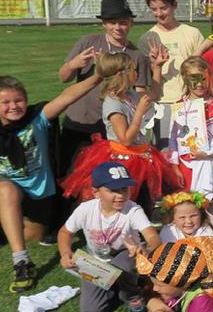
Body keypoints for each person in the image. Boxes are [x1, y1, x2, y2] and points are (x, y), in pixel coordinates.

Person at [0, 72, 103, 292]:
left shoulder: (37, 118)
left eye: (18, 100)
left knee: (33, 236)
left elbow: (66, 97)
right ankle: (22, 262)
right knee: (8, 193)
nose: (13, 106)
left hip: (38, 190)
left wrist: (98, 76)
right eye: (5, 102)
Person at [56, 0, 158, 180]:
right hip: (82, 122)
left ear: (131, 23)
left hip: (113, 130)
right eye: (112, 22)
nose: (118, 27)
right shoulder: (88, 42)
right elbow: (63, 77)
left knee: (106, 181)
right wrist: (74, 64)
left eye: (123, 22)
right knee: (72, 176)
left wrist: (157, 69)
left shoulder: (136, 55)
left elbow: (140, 92)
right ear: (103, 23)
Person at [59, 52, 175, 207]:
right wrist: (139, 113)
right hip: (123, 160)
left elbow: (153, 94)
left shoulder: (130, 94)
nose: (138, 73)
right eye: (134, 70)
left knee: (143, 199)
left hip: (141, 154)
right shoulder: (113, 103)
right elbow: (125, 139)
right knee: (126, 199)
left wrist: (157, 68)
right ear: (122, 74)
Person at [58, 161, 160, 312]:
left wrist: (145, 250)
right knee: (91, 311)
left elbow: (153, 236)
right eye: (113, 190)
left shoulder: (133, 209)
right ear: (96, 192)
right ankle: (117, 289)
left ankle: (132, 295)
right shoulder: (85, 209)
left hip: (127, 258)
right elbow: (65, 232)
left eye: (124, 189)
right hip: (97, 264)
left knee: (125, 262)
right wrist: (65, 253)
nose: (120, 195)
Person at [139, 0, 207, 147]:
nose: (159, 14)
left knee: (195, 149)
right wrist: (155, 65)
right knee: (166, 152)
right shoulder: (147, 38)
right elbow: (144, 78)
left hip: (192, 102)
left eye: (163, 8)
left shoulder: (192, 33)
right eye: (154, 9)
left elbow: (203, 70)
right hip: (163, 104)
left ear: (174, 5)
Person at [167, 56, 213, 203]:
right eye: (193, 79)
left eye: (203, 78)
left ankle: (210, 227)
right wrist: (175, 165)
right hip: (186, 165)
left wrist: (207, 151)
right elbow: (173, 139)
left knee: (209, 204)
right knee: (187, 203)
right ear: (185, 79)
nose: (199, 84)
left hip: (209, 162)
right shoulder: (179, 106)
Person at [157, 191, 213, 260]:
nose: (188, 221)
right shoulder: (168, 230)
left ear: (201, 215)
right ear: (173, 219)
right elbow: (166, 254)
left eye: (193, 216)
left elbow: (209, 252)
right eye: (182, 217)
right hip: (175, 268)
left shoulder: (205, 229)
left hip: (202, 266)